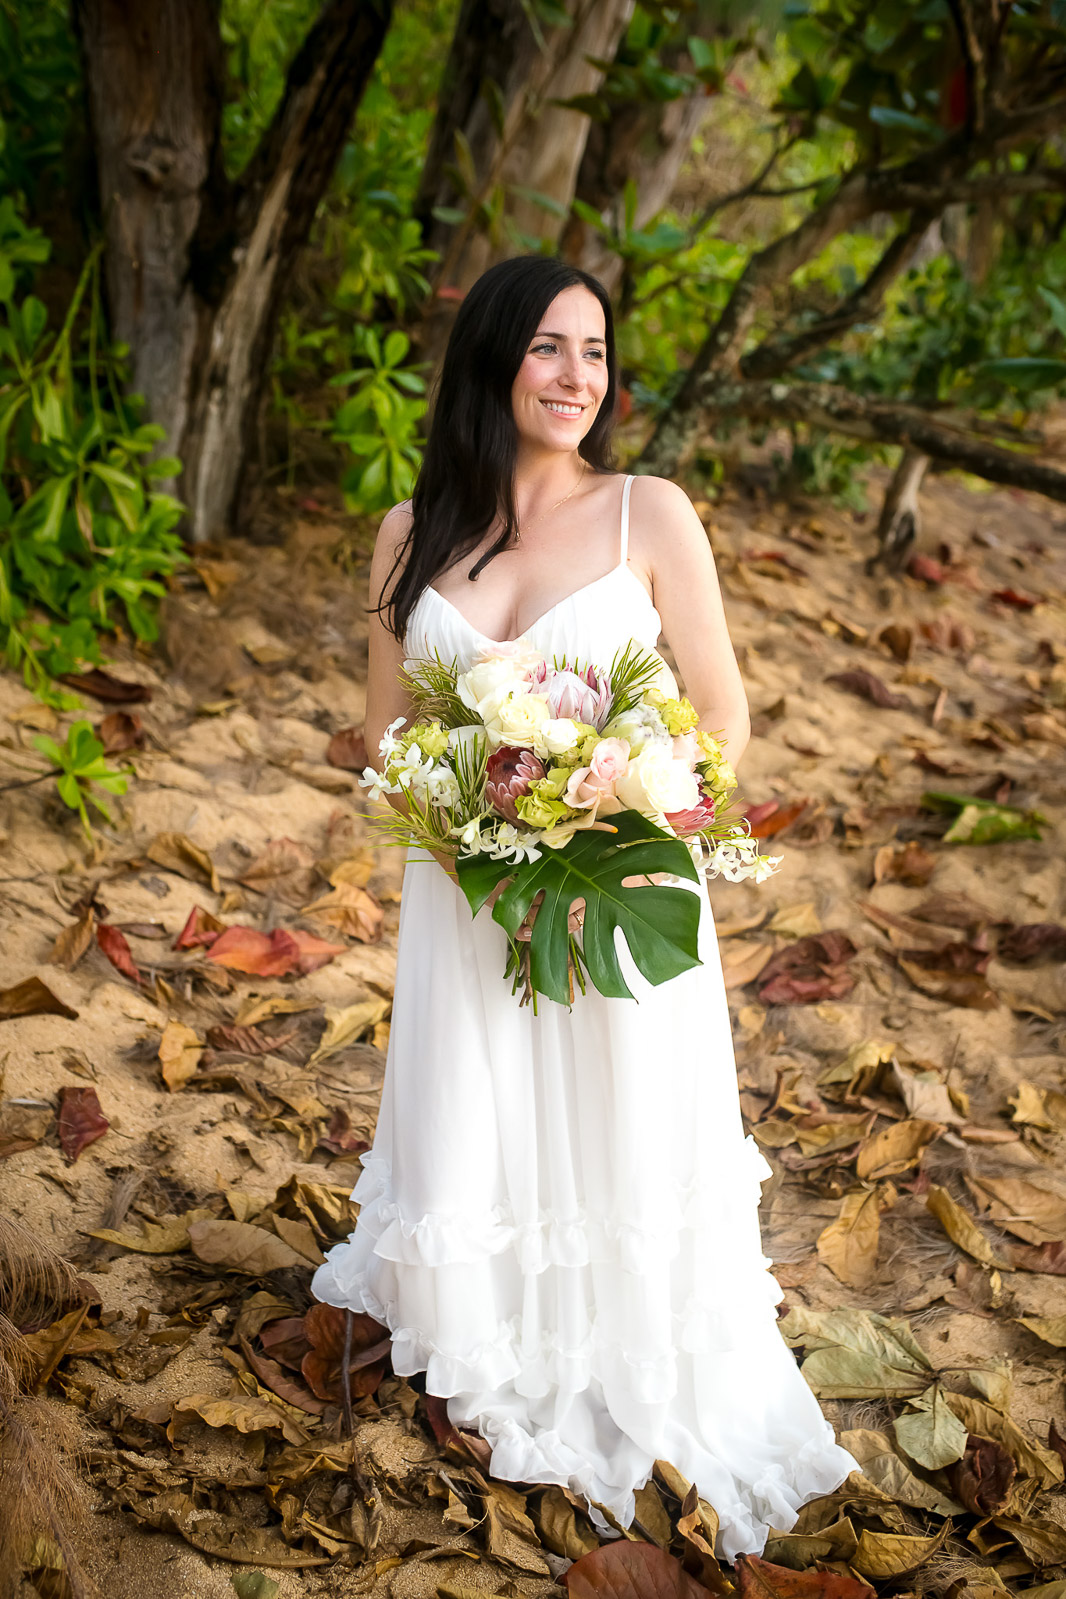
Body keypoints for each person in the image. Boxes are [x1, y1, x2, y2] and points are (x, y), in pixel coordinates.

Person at [311, 254, 861, 1562]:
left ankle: (625, 1361)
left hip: (613, 875)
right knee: (484, 1120)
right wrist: (466, 821)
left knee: (615, 1132)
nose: (575, 378)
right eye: (549, 348)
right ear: (492, 361)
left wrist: (618, 794)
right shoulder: (409, 532)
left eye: (596, 354)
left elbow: (720, 714)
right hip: (464, 894)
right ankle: (483, 1336)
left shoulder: (646, 513)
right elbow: (382, 735)